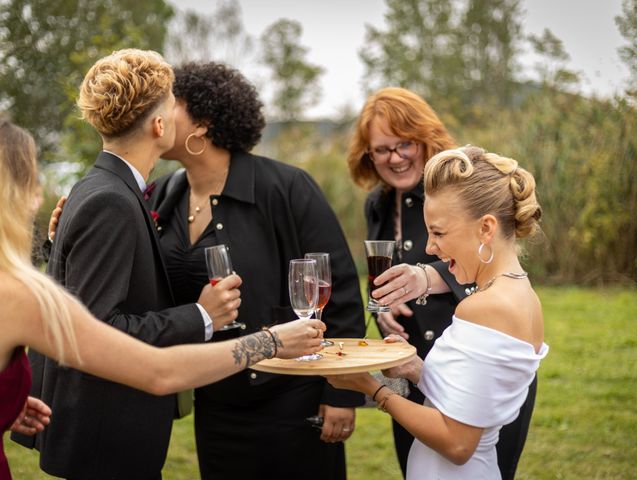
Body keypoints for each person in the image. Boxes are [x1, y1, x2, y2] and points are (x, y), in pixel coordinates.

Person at [0, 116, 325, 480]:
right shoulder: (110, 200)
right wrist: (269, 340)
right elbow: (157, 370)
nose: (39, 195)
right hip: (110, 437)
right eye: (33, 181)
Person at [12, 49, 240, 480]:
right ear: (158, 126)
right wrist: (201, 315)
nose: (176, 113)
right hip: (106, 437)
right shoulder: (111, 201)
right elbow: (100, 330)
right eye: (172, 104)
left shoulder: (101, 187)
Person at [150, 62, 365, 480]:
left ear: (204, 124)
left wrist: (339, 391)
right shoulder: (161, 195)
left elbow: (338, 293)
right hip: (215, 400)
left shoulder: (287, 188)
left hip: (293, 400)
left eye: (169, 104)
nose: (155, 116)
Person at [346, 87, 537, 479]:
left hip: (475, 366)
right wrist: (386, 313)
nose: (395, 157)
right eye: (381, 150)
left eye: (404, 144)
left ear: (425, 138)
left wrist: (428, 276)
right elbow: (379, 277)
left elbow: (490, 258)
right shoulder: (377, 205)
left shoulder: (455, 194)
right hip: (419, 366)